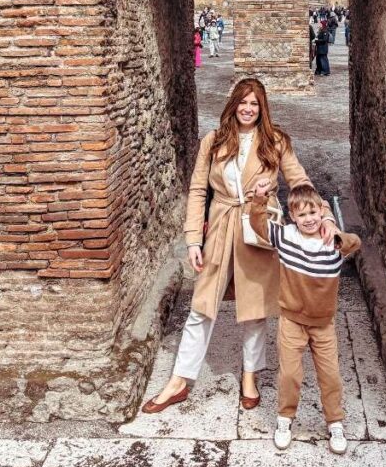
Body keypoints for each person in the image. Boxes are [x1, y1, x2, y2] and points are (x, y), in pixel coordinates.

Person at [141, 77, 339, 414]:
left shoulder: (275, 141)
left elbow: (299, 181)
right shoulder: (214, 140)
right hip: (221, 224)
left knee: (254, 308)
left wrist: (326, 217)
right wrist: (193, 239)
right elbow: (198, 190)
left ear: (262, 109)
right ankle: (179, 380)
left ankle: (250, 375)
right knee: (202, 305)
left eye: (254, 104)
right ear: (233, 105)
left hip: (257, 226)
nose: (248, 109)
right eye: (243, 103)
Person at [249, 184, 361, 454]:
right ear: (292, 217)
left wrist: (333, 228)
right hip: (292, 321)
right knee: (289, 374)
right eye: (302, 215)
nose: (309, 219)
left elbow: (355, 242)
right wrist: (259, 199)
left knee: (330, 375)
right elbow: (258, 225)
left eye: (313, 212)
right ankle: (285, 419)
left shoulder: (334, 242)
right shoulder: (286, 236)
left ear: (321, 212)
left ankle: (335, 422)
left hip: (323, 324)